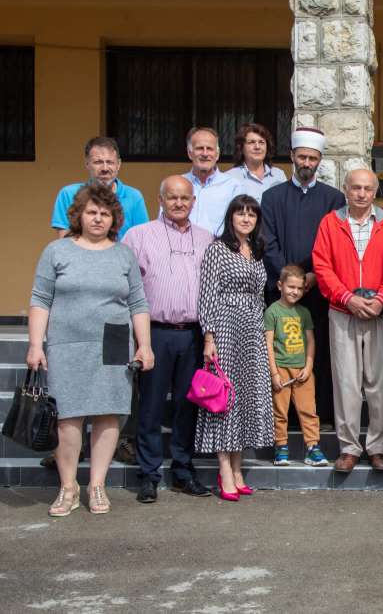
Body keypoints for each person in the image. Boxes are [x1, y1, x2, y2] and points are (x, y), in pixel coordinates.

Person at [28, 184, 154, 517]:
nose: (98, 218)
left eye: (105, 213)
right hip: (66, 343)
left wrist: (144, 345)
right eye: (92, 212)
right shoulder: (57, 251)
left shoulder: (123, 254)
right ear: (79, 215)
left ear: (114, 219)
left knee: (108, 413)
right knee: (67, 417)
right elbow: (40, 299)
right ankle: (68, 487)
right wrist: (36, 344)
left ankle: (97, 485)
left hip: (114, 341)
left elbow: (138, 302)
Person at [122, 175, 215, 503]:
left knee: (187, 406)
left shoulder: (206, 238)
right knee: (150, 406)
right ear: (160, 200)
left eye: (185, 198)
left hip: (193, 334)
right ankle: (148, 475)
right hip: (155, 333)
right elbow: (127, 286)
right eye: (172, 197)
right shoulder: (139, 236)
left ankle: (183, 471)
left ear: (193, 201)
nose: (179, 203)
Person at [312, 168, 383, 473]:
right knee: (346, 382)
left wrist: (381, 299)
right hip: (342, 312)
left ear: (375, 192)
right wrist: (346, 297)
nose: (362, 194)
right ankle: (349, 447)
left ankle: (379, 447)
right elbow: (322, 265)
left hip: (380, 312)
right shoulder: (330, 223)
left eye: (367, 188)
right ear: (345, 190)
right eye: (356, 188)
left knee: (380, 382)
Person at [261, 128, 346, 423]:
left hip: (317, 291)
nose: (307, 162)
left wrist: (313, 275)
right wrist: (289, 282)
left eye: (312, 158)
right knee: (281, 351)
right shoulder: (272, 197)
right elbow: (268, 242)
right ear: (292, 157)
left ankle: (319, 415)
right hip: (281, 293)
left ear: (319, 160)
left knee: (317, 352)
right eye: (302, 157)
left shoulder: (334, 199)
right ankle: (283, 419)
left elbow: (333, 244)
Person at [195, 194, 275, 501]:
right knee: (225, 399)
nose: (246, 219)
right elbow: (208, 293)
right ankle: (224, 468)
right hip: (225, 327)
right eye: (240, 213)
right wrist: (209, 336)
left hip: (252, 330)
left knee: (245, 397)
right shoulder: (217, 249)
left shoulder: (256, 250)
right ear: (231, 217)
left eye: (251, 214)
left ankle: (238, 468)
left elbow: (261, 295)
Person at [265, 265, 328, 467]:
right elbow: (268, 343)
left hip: (302, 370)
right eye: (291, 287)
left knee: (308, 409)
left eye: (300, 288)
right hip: (281, 369)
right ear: (280, 285)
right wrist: (274, 373)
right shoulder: (272, 311)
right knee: (279, 411)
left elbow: (311, 340)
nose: (295, 292)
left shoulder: (304, 312)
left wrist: (309, 366)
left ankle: (312, 447)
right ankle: (281, 446)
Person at [51, 136, 149, 240]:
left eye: (110, 162)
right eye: (98, 162)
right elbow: (64, 243)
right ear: (87, 164)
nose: (105, 168)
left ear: (118, 164)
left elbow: (141, 240)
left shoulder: (134, 196)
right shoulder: (69, 194)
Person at [182, 126, 239, 235]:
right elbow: (165, 223)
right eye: (199, 148)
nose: (205, 154)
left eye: (209, 149)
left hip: (219, 245)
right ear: (189, 153)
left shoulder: (234, 187)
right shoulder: (176, 185)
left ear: (217, 154)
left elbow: (239, 227)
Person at [228, 122, 287, 201]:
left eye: (261, 142)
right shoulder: (230, 177)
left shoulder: (279, 175)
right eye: (251, 142)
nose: (257, 147)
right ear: (241, 148)